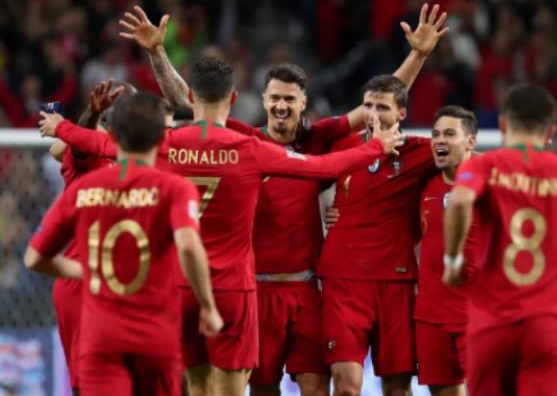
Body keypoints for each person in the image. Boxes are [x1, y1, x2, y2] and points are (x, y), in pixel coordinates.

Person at [117, 3, 449, 396]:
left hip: (306, 290)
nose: (281, 106)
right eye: (275, 98)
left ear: (303, 103)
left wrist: (418, 55)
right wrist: (157, 52)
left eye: (290, 99)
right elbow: (192, 101)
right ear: (262, 100)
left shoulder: (319, 138)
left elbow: (376, 106)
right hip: (255, 289)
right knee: (263, 390)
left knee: (315, 386)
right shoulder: (246, 142)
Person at [38, 57, 405, 396]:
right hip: (232, 290)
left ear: (191, 98)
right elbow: (323, 167)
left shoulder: (166, 143)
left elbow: (101, 144)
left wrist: (62, 127)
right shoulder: (249, 148)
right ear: (233, 98)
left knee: (196, 387)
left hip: (180, 288)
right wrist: (377, 147)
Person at [25, 92, 224, 396]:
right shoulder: (173, 187)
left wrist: (89, 270)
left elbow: (34, 257)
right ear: (162, 139)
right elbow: (188, 246)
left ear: (114, 134)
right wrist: (208, 305)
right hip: (151, 323)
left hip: (101, 322)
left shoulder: (85, 189)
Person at [442, 83, 557, 396]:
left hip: (491, 326)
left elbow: (458, 202)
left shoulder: (482, 166)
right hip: (547, 326)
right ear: (551, 131)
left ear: (502, 125)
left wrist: (453, 260)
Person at [317, 74, 439, 396]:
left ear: (401, 113)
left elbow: (466, 157)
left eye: (382, 107)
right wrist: (328, 213)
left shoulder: (419, 151)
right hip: (344, 281)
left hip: (395, 283)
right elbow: (306, 182)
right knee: (346, 385)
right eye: (368, 105)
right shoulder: (344, 147)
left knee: (397, 388)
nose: (373, 114)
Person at [47, 79, 125, 394]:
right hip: (84, 285)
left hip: (128, 284)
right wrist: (88, 117)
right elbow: (77, 146)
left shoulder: (141, 157)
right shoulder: (88, 157)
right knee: (88, 384)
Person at [414, 106, 478, 396]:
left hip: (477, 316)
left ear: (470, 141)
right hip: (431, 317)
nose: (440, 140)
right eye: (436, 134)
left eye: (450, 134)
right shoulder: (424, 186)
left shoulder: (492, 184)